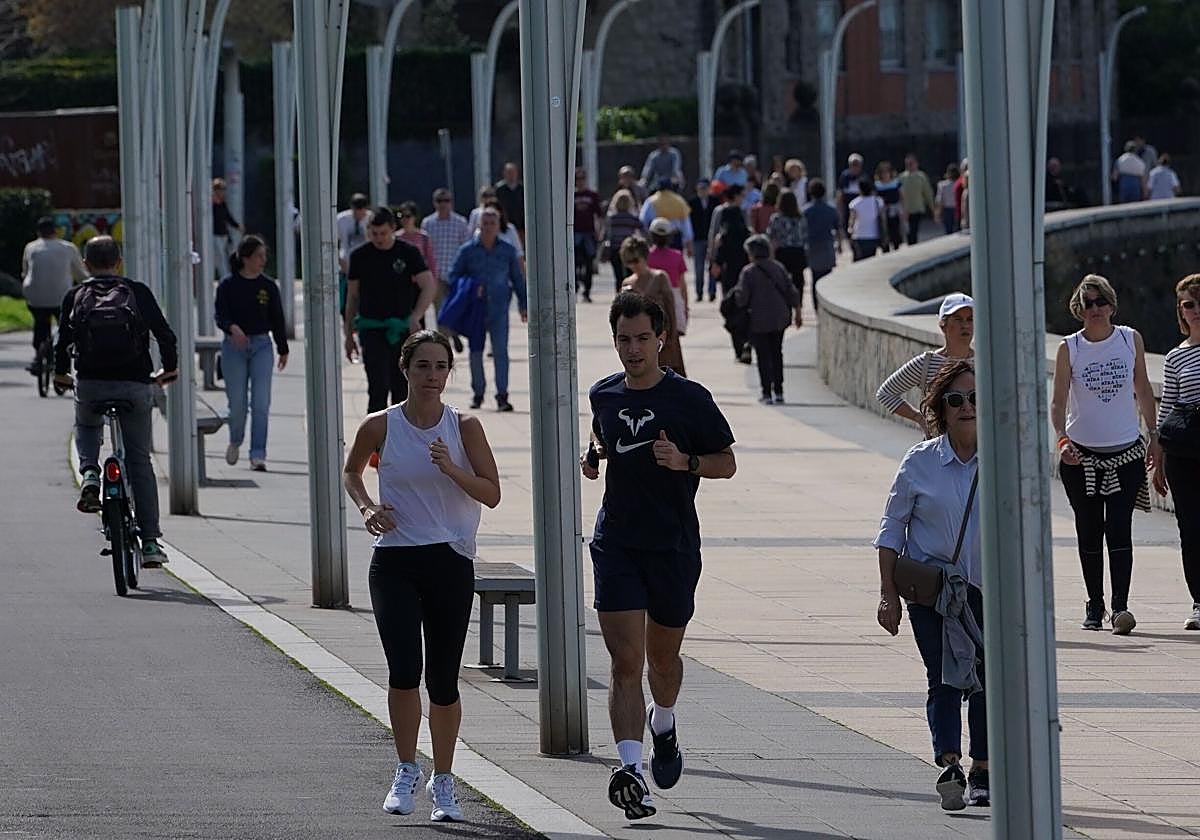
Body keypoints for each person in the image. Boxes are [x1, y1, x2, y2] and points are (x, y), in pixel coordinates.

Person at [579, 292, 736, 821]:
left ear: (661, 338)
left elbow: (727, 463)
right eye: (624, 339)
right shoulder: (603, 394)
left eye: (643, 338)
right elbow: (603, 433)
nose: (633, 349)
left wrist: (686, 461)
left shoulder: (689, 398)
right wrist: (594, 455)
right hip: (617, 541)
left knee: (662, 662)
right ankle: (631, 772)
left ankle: (663, 722)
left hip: (672, 545)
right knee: (625, 662)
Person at [342, 330, 501, 823]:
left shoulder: (464, 426)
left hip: (450, 560)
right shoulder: (380, 425)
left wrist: (452, 469)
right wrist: (367, 508)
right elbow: (351, 472)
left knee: (444, 679)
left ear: (449, 372)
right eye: (423, 366)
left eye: (441, 367)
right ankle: (406, 768)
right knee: (404, 671)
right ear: (405, 369)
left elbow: (492, 493)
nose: (433, 376)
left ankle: (445, 778)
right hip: (395, 560)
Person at [875, 359, 988, 811]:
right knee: (943, 677)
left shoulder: (1002, 462)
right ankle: (949, 763)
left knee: (985, 677)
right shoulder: (919, 462)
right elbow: (891, 529)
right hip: (933, 592)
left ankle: (982, 769)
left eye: (974, 398)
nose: (966, 407)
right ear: (941, 409)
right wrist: (887, 594)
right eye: (956, 400)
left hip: (985, 591)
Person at [53, 236, 178, 566]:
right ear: (119, 262)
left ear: (86, 264)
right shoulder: (137, 292)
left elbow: (63, 340)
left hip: (91, 383)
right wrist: (170, 369)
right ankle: (149, 543)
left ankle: (90, 473)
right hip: (134, 384)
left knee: (86, 424)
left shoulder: (74, 296)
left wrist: (61, 374)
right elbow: (164, 334)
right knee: (139, 461)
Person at [1051, 275, 1159, 634]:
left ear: (1112, 306)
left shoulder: (1129, 339)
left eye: (1101, 302)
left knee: (1119, 528)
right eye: (1088, 304)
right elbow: (1058, 400)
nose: (1095, 309)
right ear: (1079, 309)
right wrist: (1062, 439)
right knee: (1089, 530)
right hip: (1081, 458)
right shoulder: (1070, 348)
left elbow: (1143, 388)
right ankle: (1094, 604)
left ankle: (1120, 606)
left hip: (1125, 455)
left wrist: (1154, 435)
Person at [344, 207, 438, 414]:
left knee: (402, 387)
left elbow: (429, 285)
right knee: (377, 386)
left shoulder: (408, 252)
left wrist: (416, 316)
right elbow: (352, 297)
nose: (379, 239)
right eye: (374, 234)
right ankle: (375, 433)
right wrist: (348, 334)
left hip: (402, 329)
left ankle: (401, 432)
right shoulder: (360, 256)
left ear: (393, 229)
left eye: (383, 233)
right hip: (371, 327)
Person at [214, 235, 289, 471]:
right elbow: (220, 315)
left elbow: (277, 319)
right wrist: (231, 328)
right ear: (245, 258)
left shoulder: (268, 286)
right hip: (234, 347)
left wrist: (283, 348)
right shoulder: (227, 285)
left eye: (264, 256)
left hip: (262, 345)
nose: (262, 260)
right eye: (258, 256)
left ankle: (258, 454)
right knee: (237, 402)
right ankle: (235, 439)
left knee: (261, 402)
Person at [1152, 275, 1200, 629]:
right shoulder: (1175, 356)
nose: (1196, 310)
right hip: (1184, 452)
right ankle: (1199, 601)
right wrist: (1157, 456)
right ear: (1181, 311)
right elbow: (1167, 406)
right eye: (1189, 304)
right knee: (1191, 528)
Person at [449, 207, 528, 411]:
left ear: (498, 225)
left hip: (499, 309)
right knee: (476, 352)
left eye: (493, 223)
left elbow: (517, 279)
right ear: (479, 225)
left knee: (500, 351)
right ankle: (478, 393)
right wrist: (471, 286)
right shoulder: (467, 250)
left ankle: (502, 395)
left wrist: (523, 304)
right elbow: (454, 276)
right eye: (485, 223)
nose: (489, 227)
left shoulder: (507, 250)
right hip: (475, 310)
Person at [877, 294, 975, 434]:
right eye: (958, 319)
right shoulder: (926, 363)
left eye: (970, 319)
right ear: (943, 325)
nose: (965, 325)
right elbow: (886, 393)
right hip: (938, 443)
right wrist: (919, 418)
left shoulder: (985, 363)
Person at [734, 235, 802, 404]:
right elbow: (791, 291)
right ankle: (779, 390)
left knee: (763, 356)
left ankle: (766, 392)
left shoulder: (748, 272)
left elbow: (742, 299)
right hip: (779, 318)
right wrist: (798, 312)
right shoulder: (778, 268)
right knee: (777, 353)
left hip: (759, 320)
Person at [21, 216, 86, 371]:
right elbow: (81, 275)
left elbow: (25, 272)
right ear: (55, 231)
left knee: (40, 322)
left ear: (38, 232)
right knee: (64, 325)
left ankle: (38, 354)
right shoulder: (68, 248)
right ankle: (62, 357)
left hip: (35, 297)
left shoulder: (30, 247)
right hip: (61, 298)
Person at [620, 235, 684, 376]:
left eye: (636, 260)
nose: (633, 265)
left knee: (669, 377)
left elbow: (670, 308)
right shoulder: (627, 283)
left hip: (663, 338)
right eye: (629, 262)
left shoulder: (660, 277)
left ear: (644, 257)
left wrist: (672, 337)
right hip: (639, 342)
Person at [420, 188, 471, 352]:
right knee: (440, 312)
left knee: (456, 309)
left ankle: (454, 332)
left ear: (451, 203)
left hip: (455, 275)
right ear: (434, 203)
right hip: (436, 276)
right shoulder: (427, 223)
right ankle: (444, 347)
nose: (443, 204)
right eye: (440, 201)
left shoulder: (460, 222)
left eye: (446, 201)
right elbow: (424, 250)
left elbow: (466, 249)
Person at [646, 217, 689, 341]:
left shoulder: (646, 256)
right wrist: (685, 306)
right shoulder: (677, 255)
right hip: (674, 297)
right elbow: (682, 285)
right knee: (674, 336)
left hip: (652, 297)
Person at [802, 179, 840, 309]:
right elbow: (838, 228)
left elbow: (802, 230)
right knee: (827, 278)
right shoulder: (831, 210)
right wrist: (840, 244)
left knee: (815, 278)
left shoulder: (806, 211)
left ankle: (816, 307)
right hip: (827, 246)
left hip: (812, 247)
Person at [766, 190, 807, 299]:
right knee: (798, 280)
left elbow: (771, 238)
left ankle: (784, 302)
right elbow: (804, 236)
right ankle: (798, 303)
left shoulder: (776, 218)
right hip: (798, 252)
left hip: (782, 252)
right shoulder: (801, 218)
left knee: (781, 280)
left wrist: (771, 256)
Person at [638, 179, 694, 254]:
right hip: (675, 237)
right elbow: (686, 225)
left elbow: (642, 220)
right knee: (675, 259)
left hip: (656, 236)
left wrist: (646, 237)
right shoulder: (679, 201)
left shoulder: (651, 201)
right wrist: (689, 244)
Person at [337, 193, 371, 315]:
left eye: (361, 209)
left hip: (366, 267)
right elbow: (333, 243)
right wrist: (340, 261)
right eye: (356, 209)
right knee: (346, 302)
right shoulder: (341, 219)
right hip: (346, 264)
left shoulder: (371, 219)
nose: (358, 213)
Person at [574, 167, 604, 303]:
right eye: (577, 179)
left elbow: (599, 215)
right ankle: (574, 288)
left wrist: (599, 231)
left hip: (588, 233)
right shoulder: (571, 195)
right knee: (574, 263)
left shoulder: (592, 195)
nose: (580, 181)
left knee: (589, 263)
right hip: (575, 233)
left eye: (582, 178)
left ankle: (587, 291)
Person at [605, 190, 644, 293]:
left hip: (615, 249)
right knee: (630, 275)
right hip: (629, 250)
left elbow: (606, 235)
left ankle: (619, 296)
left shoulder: (612, 219)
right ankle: (630, 296)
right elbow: (644, 231)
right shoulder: (632, 219)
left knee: (618, 276)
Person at [687, 179, 718, 302]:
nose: (703, 191)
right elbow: (688, 222)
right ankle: (699, 292)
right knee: (699, 268)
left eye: (705, 188)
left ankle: (712, 291)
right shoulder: (692, 202)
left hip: (711, 239)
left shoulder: (714, 201)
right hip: (698, 239)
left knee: (712, 266)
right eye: (700, 188)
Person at [899, 154, 935, 246]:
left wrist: (932, 208)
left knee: (914, 230)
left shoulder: (921, 176)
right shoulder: (901, 178)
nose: (909, 166)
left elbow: (927, 193)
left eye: (911, 163)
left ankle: (913, 245)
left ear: (916, 164)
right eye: (907, 164)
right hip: (905, 210)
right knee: (908, 231)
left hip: (917, 208)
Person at [397, 202, 438, 282]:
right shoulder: (395, 237)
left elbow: (431, 262)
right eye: (401, 216)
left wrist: (433, 281)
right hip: (400, 281)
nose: (404, 219)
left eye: (408, 216)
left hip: (420, 281)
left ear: (415, 217)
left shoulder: (424, 237)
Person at [848, 178, 884, 261]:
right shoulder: (878, 201)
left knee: (859, 261)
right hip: (873, 235)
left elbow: (851, 221)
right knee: (871, 259)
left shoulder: (854, 203)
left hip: (859, 235)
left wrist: (850, 231)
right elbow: (883, 218)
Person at [836, 153, 865, 248]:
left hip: (860, 208)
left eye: (857, 165)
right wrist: (839, 208)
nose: (855, 167)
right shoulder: (844, 176)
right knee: (847, 227)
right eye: (853, 165)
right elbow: (840, 193)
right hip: (847, 207)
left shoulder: (863, 177)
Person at [875, 161, 905, 253]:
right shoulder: (877, 185)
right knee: (884, 232)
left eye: (887, 172)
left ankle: (896, 248)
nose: (885, 174)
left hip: (895, 210)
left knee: (895, 231)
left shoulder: (896, 183)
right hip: (882, 211)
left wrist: (903, 210)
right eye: (883, 172)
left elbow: (902, 197)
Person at [212, 177, 242, 262]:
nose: (222, 192)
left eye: (223, 190)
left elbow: (227, 216)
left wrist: (237, 226)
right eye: (219, 189)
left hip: (224, 234)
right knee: (220, 257)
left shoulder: (222, 204)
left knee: (228, 255)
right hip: (215, 234)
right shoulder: (211, 205)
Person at [493, 162, 525, 241]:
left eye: (513, 172)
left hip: (521, 227)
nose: (511, 175)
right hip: (505, 226)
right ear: (504, 173)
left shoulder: (523, 189)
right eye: (509, 172)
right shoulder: (499, 189)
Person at [935, 164, 961, 235]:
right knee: (958, 230)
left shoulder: (942, 185)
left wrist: (938, 213)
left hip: (947, 209)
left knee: (948, 231)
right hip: (957, 209)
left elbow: (940, 200)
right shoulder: (960, 184)